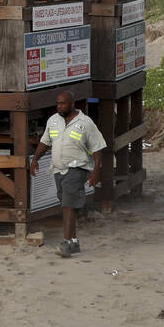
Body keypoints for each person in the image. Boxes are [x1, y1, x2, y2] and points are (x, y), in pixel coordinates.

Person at [28, 91, 106, 258]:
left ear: (72, 104)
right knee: (65, 201)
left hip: (78, 168)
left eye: (63, 103)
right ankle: (74, 242)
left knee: (68, 205)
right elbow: (45, 142)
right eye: (58, 103)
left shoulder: (85, 123)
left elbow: (98, 148)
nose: (59, 106)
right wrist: (35, 160)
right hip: (58, 168)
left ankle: (65, 243)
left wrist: (96, 171)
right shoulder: (53, 121)